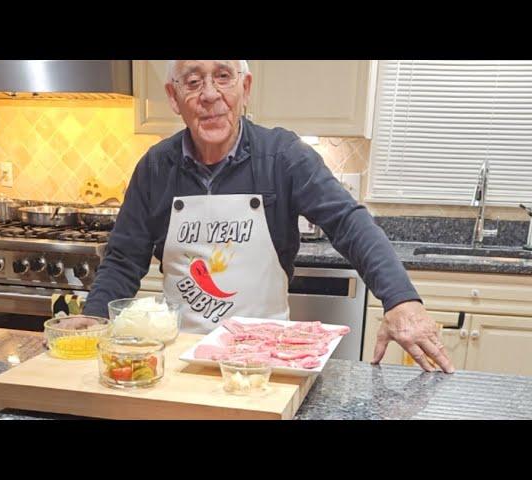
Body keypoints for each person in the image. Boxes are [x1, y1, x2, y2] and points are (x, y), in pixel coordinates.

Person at [83, 60, 454, 374]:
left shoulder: (283, 156)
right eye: (193, 82)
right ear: (173, 98)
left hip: (263, 363)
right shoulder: (155, 167)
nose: (209, 94)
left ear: (245, 88)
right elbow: (123, 259)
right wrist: (94, 319)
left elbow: (348, 222)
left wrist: (402, 300)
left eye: (223, 77)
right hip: (181, 361)